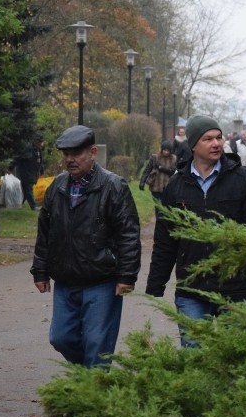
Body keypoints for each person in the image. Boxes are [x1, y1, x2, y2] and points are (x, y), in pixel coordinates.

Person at [145, 116, 246, 347]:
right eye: (208, 139)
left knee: (235, 354)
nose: (216, 143)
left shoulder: (243, 180)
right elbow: (165, 240)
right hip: (191, 288)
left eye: (219, 137)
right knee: (194, 357)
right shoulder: (176, 186)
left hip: (234, 286)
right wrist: (156, 284)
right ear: (192, 146)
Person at [31, 125, 141, 368]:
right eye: (66, 154)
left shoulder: (114, 186)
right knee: (60, 338)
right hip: (66, 280)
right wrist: (40, 270)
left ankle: (94, 392)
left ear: (92, 152)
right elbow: (45, 233)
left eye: (76, 154)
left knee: (97, 343)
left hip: (101, 280)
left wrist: (127, 275)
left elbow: (129, 234)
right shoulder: (57, 187)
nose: (70, 159)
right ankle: (91, 376)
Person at [138, 140, 177, 206]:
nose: (166, 152)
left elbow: (173, 171)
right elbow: (147, 170)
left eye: (168, 150)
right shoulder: (155, 158)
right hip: (156, 187)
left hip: (168, 188)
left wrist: (160, 167)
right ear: (162, 149)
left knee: (167, 208)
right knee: (158, 208)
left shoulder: (173, 159)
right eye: (165, 150)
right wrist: (142, 182)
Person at [13, 136, 44, 210]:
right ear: (35, 142)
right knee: (28, 189)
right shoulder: (28, 148)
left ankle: (19, 204)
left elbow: (39, 161)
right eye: (39, 142)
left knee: (25, 190)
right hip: (25, 172)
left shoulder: (38, 150)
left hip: (32, 172)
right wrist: (11, 166)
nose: (41, 144)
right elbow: (19, 158)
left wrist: (41, 171)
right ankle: (34, 206)